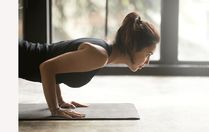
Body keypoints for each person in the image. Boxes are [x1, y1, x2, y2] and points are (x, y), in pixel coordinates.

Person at [19, 12, 160, 119]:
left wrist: (60, 101)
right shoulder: (99, 55)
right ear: (133, 46)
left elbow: (55, 64)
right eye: (148, 54)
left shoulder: (103, 51)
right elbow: (47, 68)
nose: (147, 61)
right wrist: (55, 109)